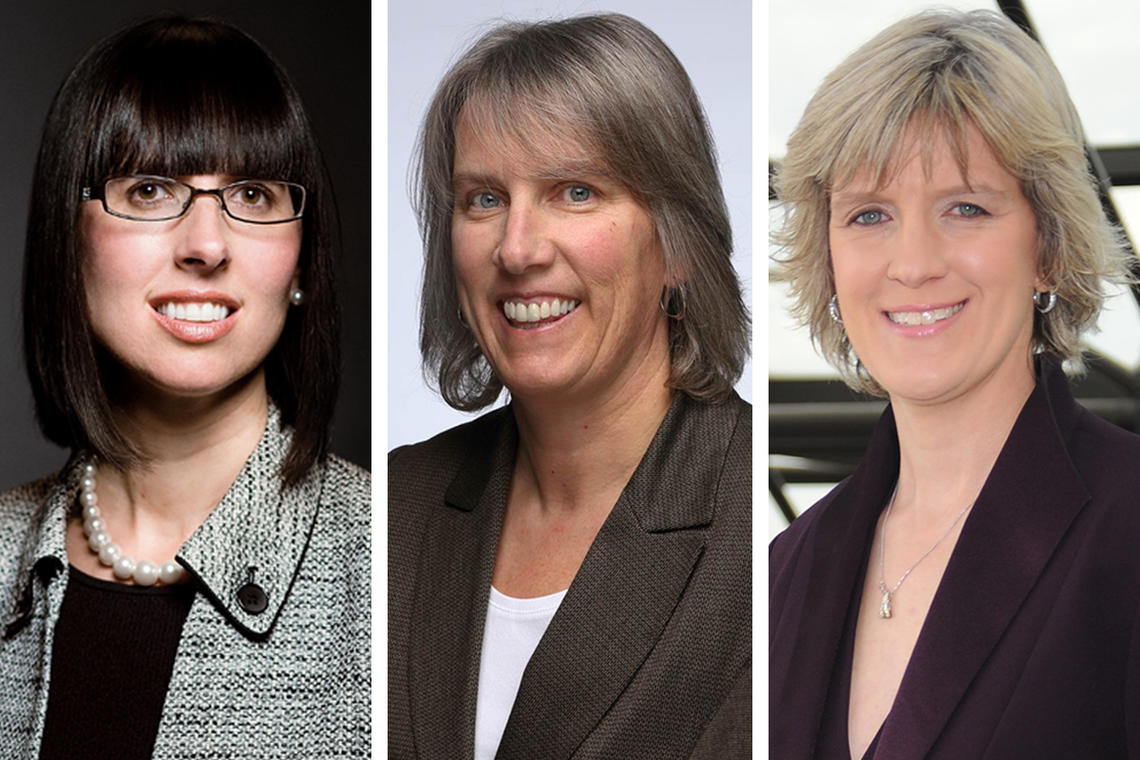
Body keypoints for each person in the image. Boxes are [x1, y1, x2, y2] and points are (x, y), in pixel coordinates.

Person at [769, 9, 1140, 759]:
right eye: (870, 214)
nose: (913, 263)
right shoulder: (785, 568)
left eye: (965, 208)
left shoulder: (1130, 528)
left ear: (1046, 248)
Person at [0, 17, 369, 759]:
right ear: (66, 240)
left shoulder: (389, 563)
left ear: (301, 263)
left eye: (255, 195)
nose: (206, 245)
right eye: (148, 189)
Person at [389, 13, 751, 759]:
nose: (517, 249)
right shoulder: (396, 505)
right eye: (483, 199)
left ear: (677, 240)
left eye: (575, 191)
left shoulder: (761, 537)